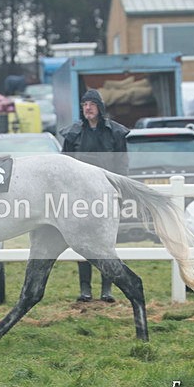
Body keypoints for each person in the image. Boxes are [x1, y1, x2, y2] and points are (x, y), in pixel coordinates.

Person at [60, 89, 129, 303]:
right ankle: (85, 290)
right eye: (84, 104)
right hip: (79, 197)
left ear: (100, 107)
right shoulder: (73, 134)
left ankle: (107, 290)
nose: (88, 107)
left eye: (91, 103)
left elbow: (122, 165)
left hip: (106, 194)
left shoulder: (115, 133)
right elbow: (64, 166)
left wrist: (120, 192)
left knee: (105, 243)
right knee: (82, 243)